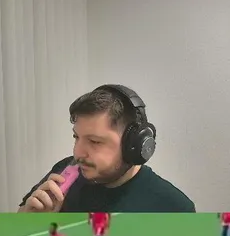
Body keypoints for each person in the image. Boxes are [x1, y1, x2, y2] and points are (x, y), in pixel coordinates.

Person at [20, 85, 193, 213]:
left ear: (133, 144)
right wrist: (30, 221)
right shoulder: (64, 170)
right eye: (76, 137)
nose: (78, 153)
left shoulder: (173, 208)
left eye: (95, 142)